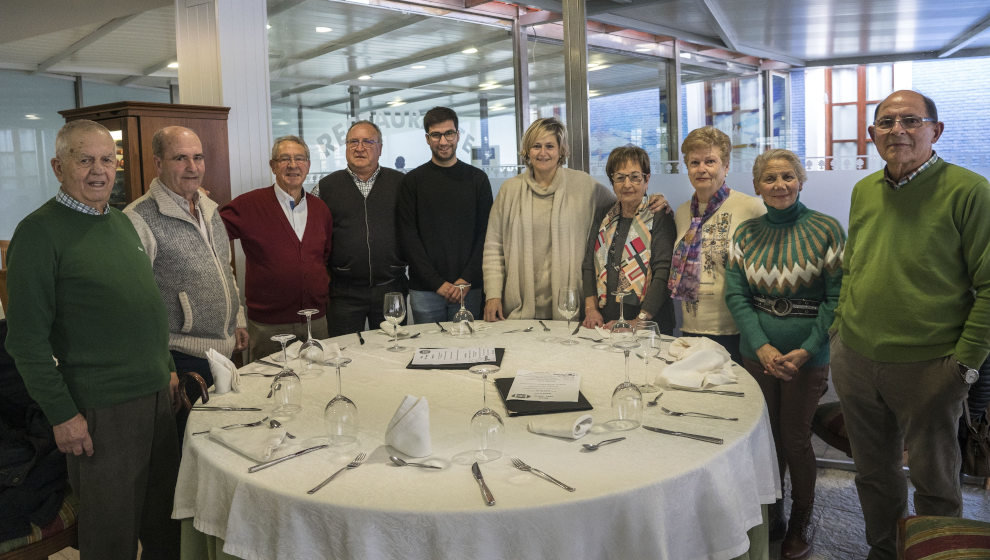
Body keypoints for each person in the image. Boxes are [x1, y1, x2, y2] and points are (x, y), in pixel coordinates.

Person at [5, 119, 181, 558]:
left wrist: (170, 369)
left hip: (157, 398)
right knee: (111, 540)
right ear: (57, 166)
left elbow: (144, 309)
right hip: (101, 413)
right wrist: (63, 415)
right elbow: (25, 342)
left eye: (107, 160)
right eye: (84, 160)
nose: (99, 171)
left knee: (167, 526)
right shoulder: (38, 233)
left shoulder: (122, 223)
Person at [830, 90, 990, 560]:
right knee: (873, 475)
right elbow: (853, 265)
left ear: (935, 132)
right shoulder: (864, 191)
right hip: (856, 359)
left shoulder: (970, 191)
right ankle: (883, 551)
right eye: (886, 121)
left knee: (935, 480)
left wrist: (964, 366)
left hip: (930, 367)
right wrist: (839, 331)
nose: (897, 129)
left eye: (911, 120)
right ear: (872, 134)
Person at [724, 149, 846, 559]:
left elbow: (836, 297)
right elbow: (737, 295)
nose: (780, 185)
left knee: (795, 439)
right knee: (765, 440)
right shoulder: (745, 234)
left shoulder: (826, 230)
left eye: (788, 177)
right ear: (757, 186)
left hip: (805, 357)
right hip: (756, 354)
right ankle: (771, 515)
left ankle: (801, 521)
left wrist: (805, 349)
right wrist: (761, 346)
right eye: (770, 179)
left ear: (800, 181)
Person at [125, 126, 247, 436]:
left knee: (229, 438)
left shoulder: (208, 208)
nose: (192, 168)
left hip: (223, 351)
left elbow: (225, 268)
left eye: (198, 157)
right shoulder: (139, 217)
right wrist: (162, 365)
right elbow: (136, 302)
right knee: (194, 445)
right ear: (158, 163)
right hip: (181, 357)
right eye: (180, 158)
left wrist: (238, 319)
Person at [483, 118, 665, 322]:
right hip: (518, 307)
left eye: (550, 146)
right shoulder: (509, 190)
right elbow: (493, 247)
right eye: (536, 146)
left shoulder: (584, 185)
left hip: (569, 308)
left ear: (561, 150)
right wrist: (493, 294)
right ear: (527, 150)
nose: (543, 153)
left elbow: (625, 200)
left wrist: (655, 201)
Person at [220, 135, 333, 360]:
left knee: (320, 382)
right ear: (273, 166)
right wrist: (198, 200)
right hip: (268, 326)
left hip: (315, 321)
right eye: (284, 159)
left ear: (308, 165)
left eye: (300, 158)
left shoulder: (321, 209)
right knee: (269, 386)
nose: (293, 165)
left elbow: (325, 256)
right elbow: (210, 234)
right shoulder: (248, 205)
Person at [668, 126, 765, 363]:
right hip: (691, 330)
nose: (702, 169)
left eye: (710, 161)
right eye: (694, 162)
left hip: (736, 333)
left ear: (726, 166)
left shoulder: (751, 209)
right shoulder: (682, 212)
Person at [399, 107, 493, 323]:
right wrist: (436, 283)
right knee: (428, 352)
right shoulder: (412, 182)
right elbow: (408, 238)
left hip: (469, 288)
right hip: (425, 290)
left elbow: (486, 234)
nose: (443, 141)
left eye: (449, 133)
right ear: (427, 138)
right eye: (436, 135)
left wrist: (466, 279)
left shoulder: (477, 179)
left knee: (468, 351)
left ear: (458, 135)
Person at [315, 121, 407, 336]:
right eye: (353, 142)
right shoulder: (325, 187)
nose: (359, 147)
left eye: (368, 141)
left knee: (391, 352)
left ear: (380, 148)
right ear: (346, 147)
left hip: (390, 287)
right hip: (343, 292)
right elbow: (315, 239)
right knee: (345, 353)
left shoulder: (402, 184)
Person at [581, 145, 676, 333]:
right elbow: (588, 265)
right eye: (620, 177)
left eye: (635, 177)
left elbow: (663, 273)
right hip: (605, 323)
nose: (627, 185)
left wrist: (638, 321)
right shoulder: (603, 215)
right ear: (612, 181)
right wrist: (591, 310)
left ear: (646, 179)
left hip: (648, 325)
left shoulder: (658, 215)